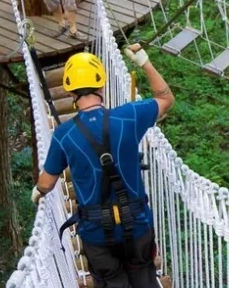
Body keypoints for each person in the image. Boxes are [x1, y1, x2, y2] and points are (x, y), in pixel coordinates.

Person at [32, 44, 174, 287]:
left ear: (70, 91)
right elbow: (165, 98)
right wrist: (144, 61)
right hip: (137, 223)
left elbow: (46, 182)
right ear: (101, 84)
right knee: (143, 275)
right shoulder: (129, 116)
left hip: (96, 233)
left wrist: (38, 193)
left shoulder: (63, 136)